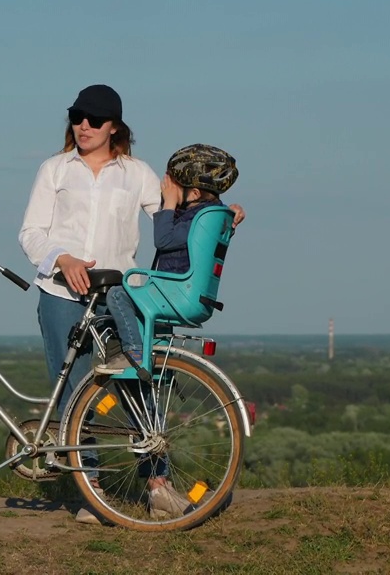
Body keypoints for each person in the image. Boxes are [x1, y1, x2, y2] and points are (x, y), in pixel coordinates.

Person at [18, 86, 244, 523]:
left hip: (120, 296)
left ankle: (158, 487)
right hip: (62, 294)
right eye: (77, 116)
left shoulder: (137, 173)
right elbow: (31, 232)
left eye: (94, 119)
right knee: (73, 393)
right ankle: (92, 493)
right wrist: (61, 260)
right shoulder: (54, 170)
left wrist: (219, 211)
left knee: (140, 384)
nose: (84, 125)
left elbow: (176, 219)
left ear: (115, 127)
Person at [94, 143, 240, 376]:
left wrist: (170, 203)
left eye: (172, 186)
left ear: (193, 193)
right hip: (184, 292)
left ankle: (132, 354)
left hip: (175, 292)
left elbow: (163, 240)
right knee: (156, 339)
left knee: (118, 294)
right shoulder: (213, 216)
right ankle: (159, 367)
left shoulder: (198, 220)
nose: (164, 190)